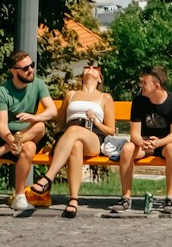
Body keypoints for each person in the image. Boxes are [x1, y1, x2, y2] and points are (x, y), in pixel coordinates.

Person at [26, 59, 116, 217]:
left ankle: (48, 178)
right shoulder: (71, 95)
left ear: (100, 78)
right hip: (69, 137)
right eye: (87, 67)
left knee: (74, 131)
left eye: (95, 68)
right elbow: (60, 124)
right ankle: (73, 200)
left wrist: (95, 120)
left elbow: (111, 130)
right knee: (75, 145)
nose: (90, 69)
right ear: (82, 74)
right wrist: (53, 142)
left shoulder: (105, 98)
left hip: (94, 136)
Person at [0, 52, 57, 212]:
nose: (31, 70)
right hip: (7, 138)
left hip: (31, 133)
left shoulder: (38, 84)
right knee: (29, 148)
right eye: (25, 68)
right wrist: (11, 141)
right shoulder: (3, 91)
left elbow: (52, 111)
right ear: (14, 71)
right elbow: (1, 125)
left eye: (32, 65)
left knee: (40, 126)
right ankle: (20, 196)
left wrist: (33, 117)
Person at [105, 66, 172, 217]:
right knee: (128, 148)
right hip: (143, 143)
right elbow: (134, 133)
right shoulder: (139, 101)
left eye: (144, 82)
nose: (141, 85)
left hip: (164, 144)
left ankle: (169, 198)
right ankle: (126, 198)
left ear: (156, 85)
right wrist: (142, 143)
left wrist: (159, 143)